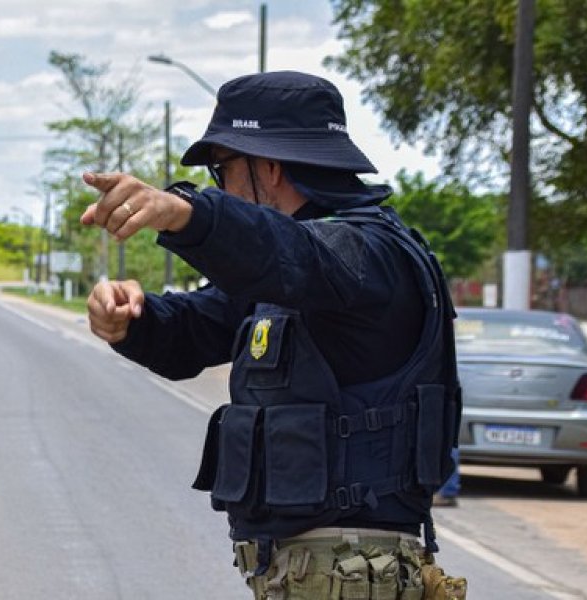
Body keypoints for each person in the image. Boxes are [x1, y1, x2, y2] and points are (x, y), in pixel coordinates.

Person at [79, 71, 466, 599]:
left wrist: (190, 215)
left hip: (350, 567)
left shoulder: (365, 254)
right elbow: (199, 327)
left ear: (270, 167)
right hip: (310, 571)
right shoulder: (284, 274)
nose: (223, 187)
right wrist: (130, 320)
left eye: (223, 171)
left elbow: (291, 253)